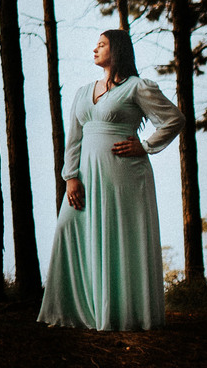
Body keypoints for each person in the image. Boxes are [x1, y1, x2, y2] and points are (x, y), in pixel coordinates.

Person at [37, 29, 185, 330]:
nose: (95, 49)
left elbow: (174, 119)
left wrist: (145, 146)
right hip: (85, 176)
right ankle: (73, 311)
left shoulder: (137, 87)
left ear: (116, 50)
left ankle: (121, 313)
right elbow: (74, 139)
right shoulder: (83, 92)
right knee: (68, 225)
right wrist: (70, 177)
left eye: (101, 45)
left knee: (118, 236)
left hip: (124, 175)